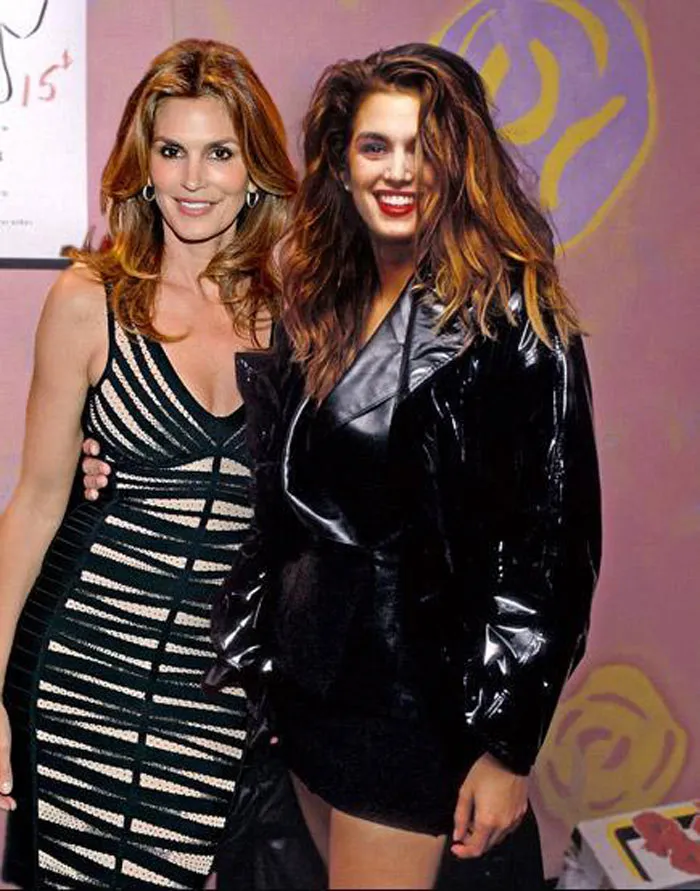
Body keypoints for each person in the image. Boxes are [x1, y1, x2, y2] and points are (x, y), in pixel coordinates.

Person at [204, 43, 601, 890]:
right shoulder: (325, 300)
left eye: (423, 148)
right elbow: (288, 491)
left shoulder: (515, 319)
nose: (397, 171)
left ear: (460, 165)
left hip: (414, 709)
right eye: (375, 145)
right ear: (343, 165)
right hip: (311, 689)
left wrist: (507, 746)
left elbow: (551, 552)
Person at [0, 38, 296, 889]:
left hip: (207, 703)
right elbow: (34, 505)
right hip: (81, 668)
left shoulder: (294, 322)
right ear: (144, 164)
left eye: (220, 152)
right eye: (172, 151)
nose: (194, 179)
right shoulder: (88, 300)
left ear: (255, 170)